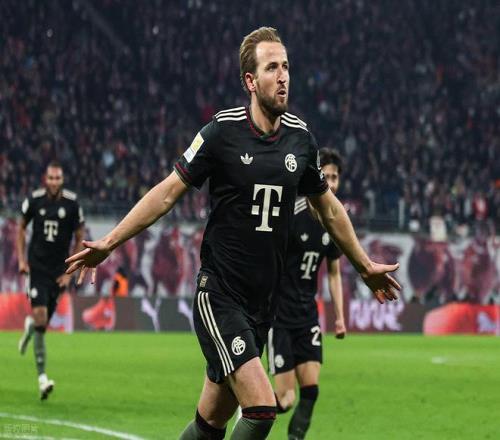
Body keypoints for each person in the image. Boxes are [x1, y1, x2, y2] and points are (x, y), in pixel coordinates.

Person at [66, 27, 400, 439]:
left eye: (286, 67)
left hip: (263, 308)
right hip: (220, 296)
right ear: (250, 81)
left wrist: (363, 266)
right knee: (262, 409)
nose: (283, 76)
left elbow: (328, 208)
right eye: (272, 68)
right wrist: (109, 242)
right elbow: (167, 193)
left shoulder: (301, 140)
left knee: (210, 423)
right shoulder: (221, 132)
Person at [268, 148, 346, 439]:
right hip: (280, 317)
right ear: (315, 176)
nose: (331, 183)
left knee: (311, 391)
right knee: (286, 399)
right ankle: (249, 407)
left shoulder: (334, 220)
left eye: (335, 177)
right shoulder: (292, 213)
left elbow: (334, 273)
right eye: (326, 176)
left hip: (307, 316)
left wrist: (339, 317)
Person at [17, 161, 85, 400]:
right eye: (51, 178)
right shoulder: (34, 201)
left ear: (62, 180)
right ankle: (42, 378)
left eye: (58, 178)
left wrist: (70, 273)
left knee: (41, 325)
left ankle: (30, 328)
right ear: (45, 179)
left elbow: (80, 236)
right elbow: (20, 228)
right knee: (40, 317)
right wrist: (21, 261)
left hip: (58, 272)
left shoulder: (72, 204)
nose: (54, 182)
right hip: (37, 269)